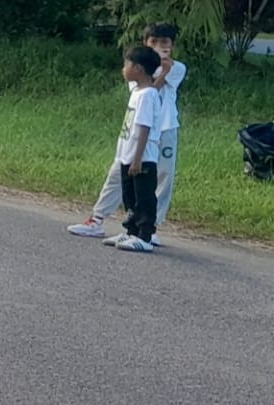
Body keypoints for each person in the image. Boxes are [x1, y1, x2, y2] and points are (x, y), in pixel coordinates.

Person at [68, 23, 186, 242]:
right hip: (137, 130)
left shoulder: (177, 68)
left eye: (164, 42)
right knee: (120, 171)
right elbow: (150, 90)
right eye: (153, 42)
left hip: (166, 127)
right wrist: (161, 71)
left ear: (172, 46)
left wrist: (166, 68)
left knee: (163, 176)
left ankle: (151, 228)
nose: (159, 46)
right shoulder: (138, 67)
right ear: (146, 43)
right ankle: (97, 218)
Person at [97, 46, 164, 253]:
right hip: (128, 155)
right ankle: (131, 231)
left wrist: (137, 158)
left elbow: (144, 127)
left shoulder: (148, 95)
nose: (123, 69)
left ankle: (145, 236)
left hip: (142, 157)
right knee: (130, 196)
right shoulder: (137, 92)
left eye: (127, 64)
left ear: (138, 69)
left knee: (143, 197)